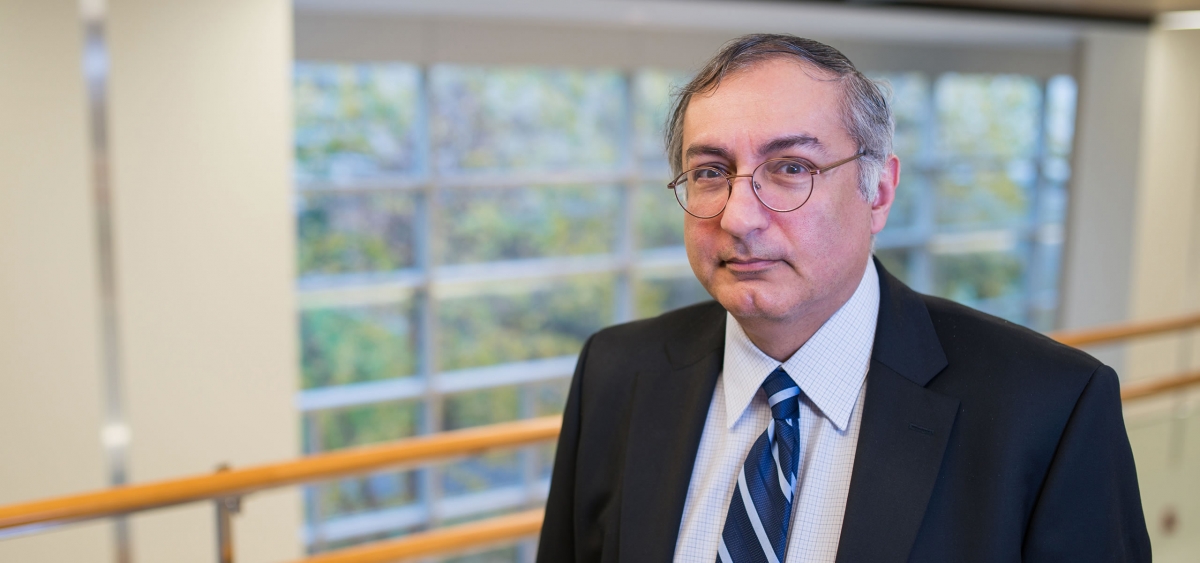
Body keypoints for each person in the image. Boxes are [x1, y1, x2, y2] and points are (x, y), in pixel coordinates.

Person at [536, 34, 1150, 563]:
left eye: (791, 168)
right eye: (710, 172)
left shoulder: (1050, 408)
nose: (740, 216)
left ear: (878, 191)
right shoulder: (616, 372)